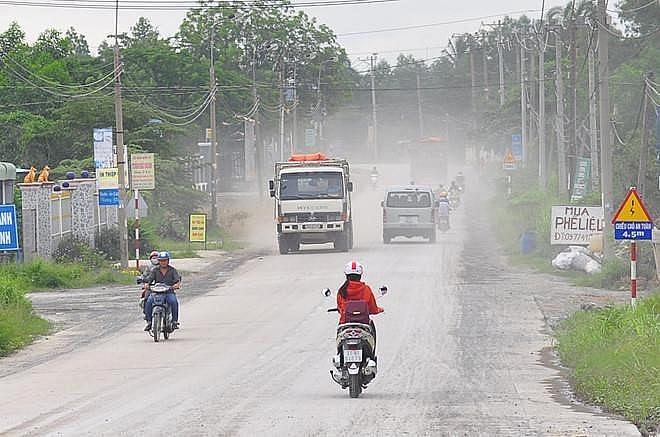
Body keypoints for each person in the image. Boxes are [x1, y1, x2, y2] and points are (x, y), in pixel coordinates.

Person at [336, 260, 384, 353]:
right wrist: (379, 310)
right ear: (360, 275)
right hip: (363, 323)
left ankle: (339, 353)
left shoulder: (342, 291)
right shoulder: (366, 289)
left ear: (346, 275)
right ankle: (371, 355)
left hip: (345, 323)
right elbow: (373, 309)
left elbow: (340, 308)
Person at [143, 251, 182, 331]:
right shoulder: (155, 270)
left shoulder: (172, 270)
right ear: (159, 261)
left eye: (165, 260)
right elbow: (149, 279)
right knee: (148, 302)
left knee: (174, 301)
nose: (163, 262)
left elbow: (177, 280)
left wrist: (176, 285)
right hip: (156, 293)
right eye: (161, 260)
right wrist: (147, 284)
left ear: (168, 261)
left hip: (168, 292)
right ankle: (149, 322)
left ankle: (174, 321)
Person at [138, 250, 160, 316]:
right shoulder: (149, 267)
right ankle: (147, 313)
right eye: (153, 258)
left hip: (162, 287)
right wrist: (141, 279)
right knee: (146, 298)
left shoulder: (163, 267)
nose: (155, 259)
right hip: (150, 287)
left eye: (156, 257)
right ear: (150, 259)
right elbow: (144, 275)